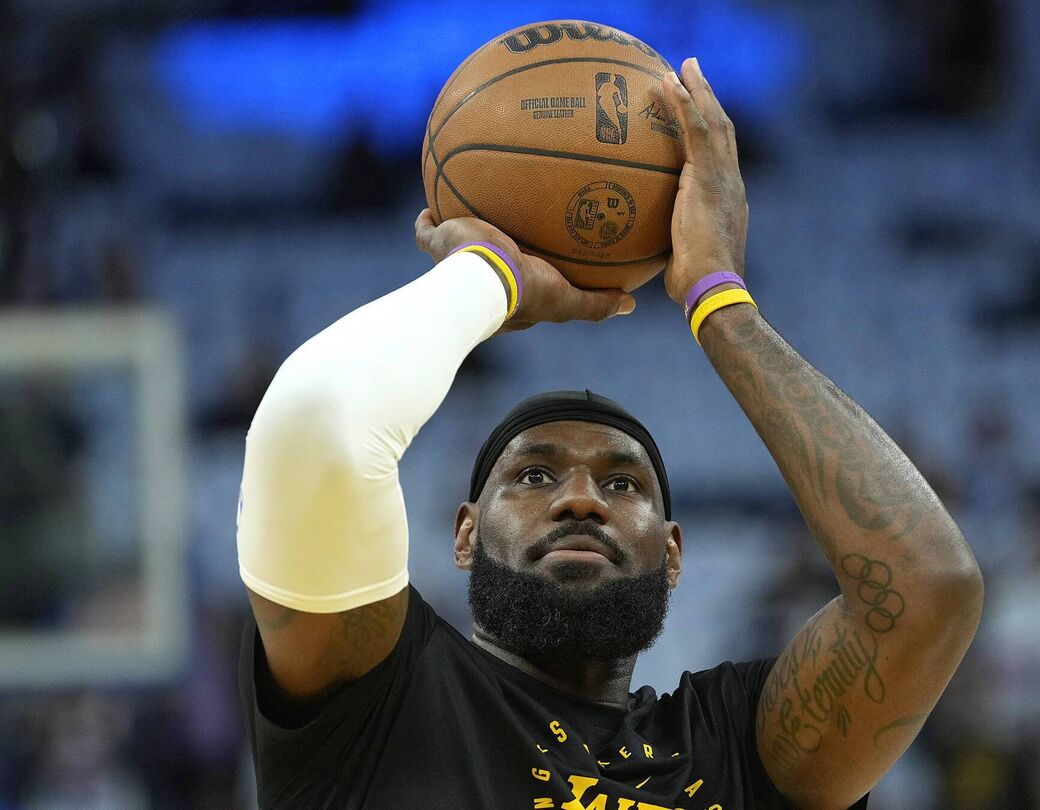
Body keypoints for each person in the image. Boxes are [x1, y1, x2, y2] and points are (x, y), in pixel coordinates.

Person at [236, 58, 984, 810]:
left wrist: (719, 298)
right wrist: (489, 275)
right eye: (534, 475)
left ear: (672, 550)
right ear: (463, 535)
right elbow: (315, 429)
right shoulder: (379, 699)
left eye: (624, 483)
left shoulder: (732, 746)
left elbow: (930, 591)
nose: (582, 501)